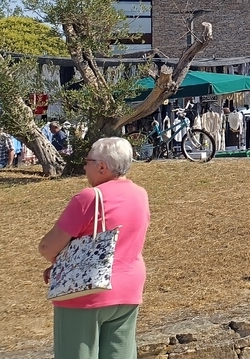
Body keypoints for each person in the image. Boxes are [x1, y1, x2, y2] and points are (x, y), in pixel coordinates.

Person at [39, 137, 149, 359]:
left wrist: (59, 263)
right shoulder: (140, 194)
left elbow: (47, 246)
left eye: (87, 161)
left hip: (86, 292)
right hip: (128, 289)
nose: (84, 167)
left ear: (102, 167)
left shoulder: (89, 197)